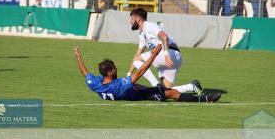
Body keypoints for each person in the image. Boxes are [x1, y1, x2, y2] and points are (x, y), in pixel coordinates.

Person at [74, 44, 221, 102]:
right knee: (171, 93)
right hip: (140, 95)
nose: (116, 69)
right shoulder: (119, 85)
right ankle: (205, 99)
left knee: (166, 89)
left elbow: (85, 72)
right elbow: (141, 71)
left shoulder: (95, 84)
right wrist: (153, 55)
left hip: (134, 89)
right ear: (110, 72)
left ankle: (191, 88)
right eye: (115, 68)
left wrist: (78, 58)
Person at [127, 8, 203, 95]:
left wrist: (167, 56)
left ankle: (155, 84)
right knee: (165, 92)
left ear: (138, 19)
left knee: (137, 60)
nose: (130, 22)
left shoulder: (148, 26)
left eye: (132, 19)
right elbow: (138, 54)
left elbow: (164, 37)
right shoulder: (141, 33)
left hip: (168, 54)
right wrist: (128, 76)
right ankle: (191, 86)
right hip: (173, 56)